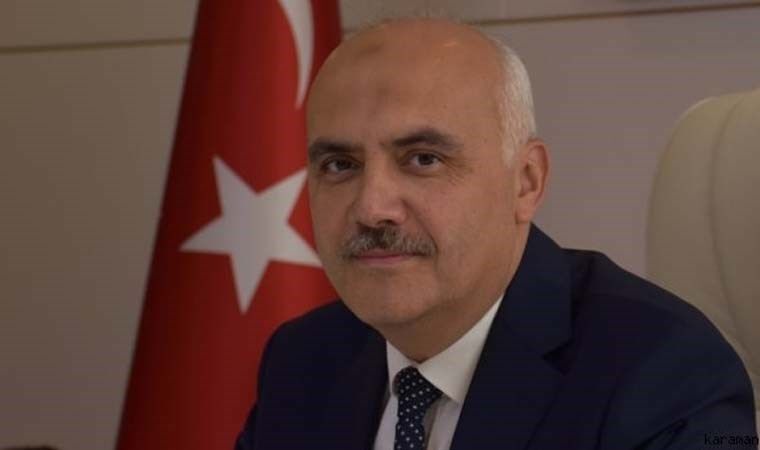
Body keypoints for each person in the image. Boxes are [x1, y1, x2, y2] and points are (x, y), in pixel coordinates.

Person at [235, 18, 756, 449]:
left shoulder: (664, 370)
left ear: (526, 182)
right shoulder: (302, 360)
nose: (373, 209)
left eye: (423, 159)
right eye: (340, 165)